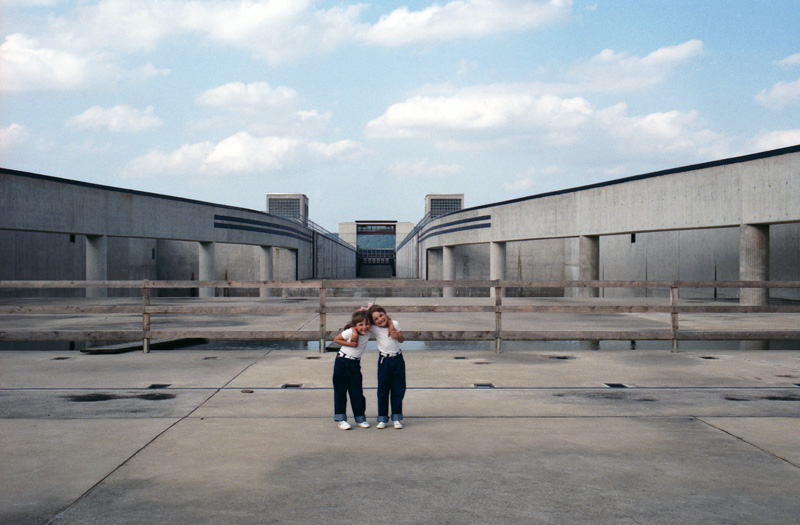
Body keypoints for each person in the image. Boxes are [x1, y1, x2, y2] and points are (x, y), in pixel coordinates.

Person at [331, 309, 371, 430]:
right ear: (355, 326)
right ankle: (341, 419)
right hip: (342, 361)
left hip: (354, 364)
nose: (364, 327)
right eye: (360, 325)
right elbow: (336, 340)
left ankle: (360, 418)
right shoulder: (349, 332)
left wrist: (367, 310)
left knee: (357, 391)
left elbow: (377, 318)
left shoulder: (369, 332)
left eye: (367, 324)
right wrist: (350, 341)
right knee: (340, 390)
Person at [368, 304, 406, 429]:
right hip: (384, 360)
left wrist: (396, 334)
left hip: (397, 359)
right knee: (383, 389)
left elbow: (402, 340)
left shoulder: (395, 323)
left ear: (385, 314)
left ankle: (396, 417)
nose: (380, 319)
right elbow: (362, 322)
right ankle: (382, 418)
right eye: (376, 319)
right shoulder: (374, 328)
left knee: (398, 388)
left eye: (381, 315)